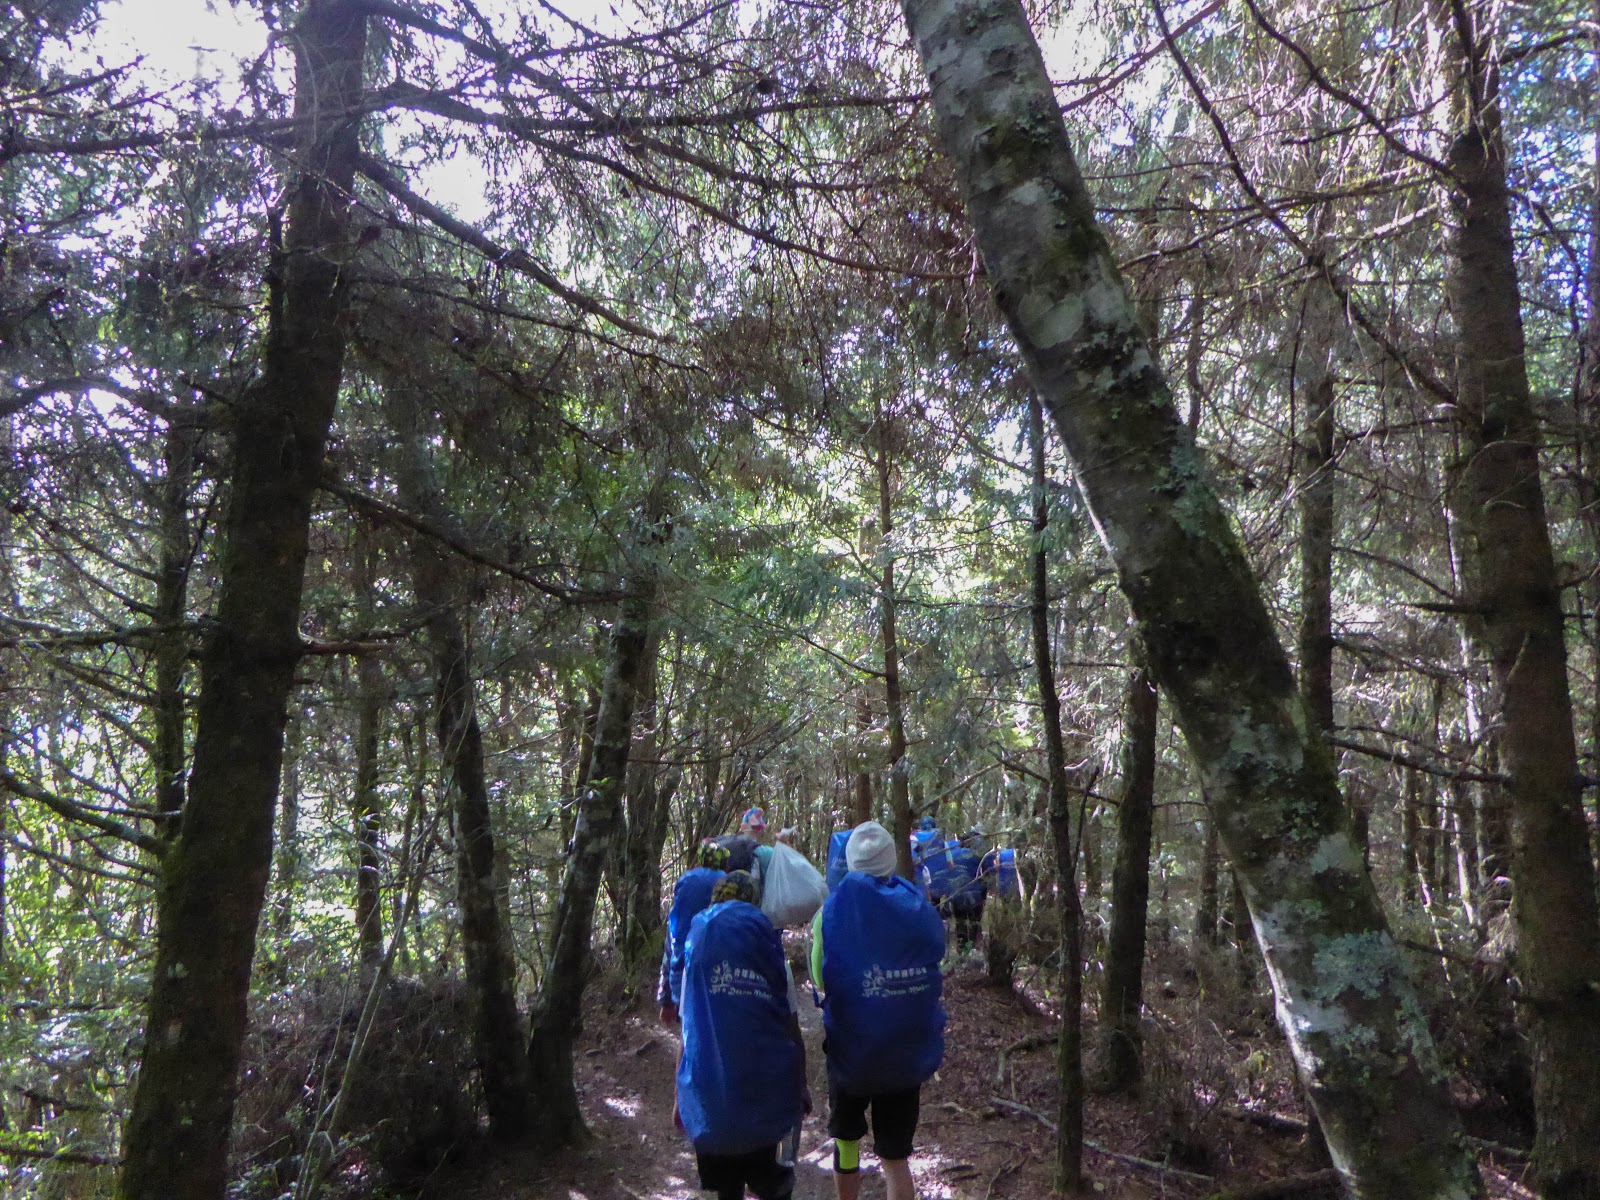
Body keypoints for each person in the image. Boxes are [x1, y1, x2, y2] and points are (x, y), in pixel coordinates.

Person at [809, 822, 945, 1200]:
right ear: (890, 861)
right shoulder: (915, 906)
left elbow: (820, 977)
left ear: (850, 862)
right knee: (895, 1157)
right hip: (905, 1051)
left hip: (850, 1049)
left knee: (847, 1144)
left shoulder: (830, 911)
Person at [676, 871, 810, 1200]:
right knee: (773, 1186)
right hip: (764, 1094)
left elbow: (688, 1030)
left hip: (711, 1098)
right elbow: (791, 1029)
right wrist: (800, 1085)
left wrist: (680, 1096)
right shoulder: (772, 956)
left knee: (727, 1190)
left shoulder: (697, 959)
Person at [658, 838, 731, 1025]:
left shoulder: (687, 882)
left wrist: (666, 999)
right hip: (720, 973)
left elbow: (672, 944)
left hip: (684, 972)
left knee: (689, 1027)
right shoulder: (728, 883)